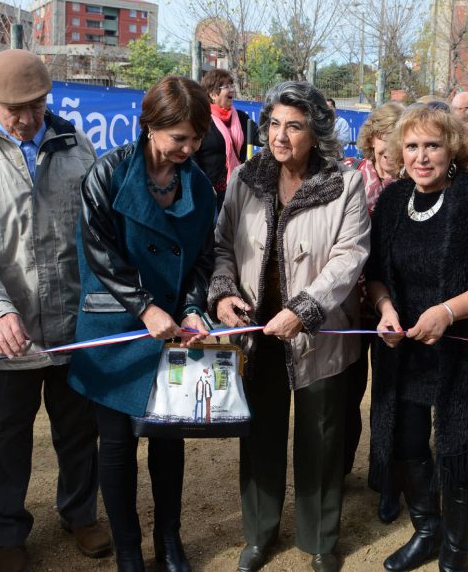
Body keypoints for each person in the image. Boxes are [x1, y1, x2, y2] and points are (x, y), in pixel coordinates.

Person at [0, 49, 109, 572]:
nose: (28, 118)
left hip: (75, 322)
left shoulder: (76, 145)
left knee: (79, 428)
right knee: (5, 435)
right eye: (15, 109)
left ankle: (80, 512)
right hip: (8, 326)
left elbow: (97, 231)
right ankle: (6, 530)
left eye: (36, 105)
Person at [210, 81, 370, 572]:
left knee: (321, 439)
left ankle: (319, 539)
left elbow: (349, 258)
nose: (281, 136)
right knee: (259, 436)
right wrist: (223, 295)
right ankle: (259, 534)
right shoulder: (245, 179)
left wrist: (304, 308)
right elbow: (220, 247)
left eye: (294, 126)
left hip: (317, 335)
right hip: (257, 335)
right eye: (274, 124)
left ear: (315, 132)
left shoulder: (345, 183)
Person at [70, 75, 216, 572]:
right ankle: (128, 548)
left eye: (197, 138)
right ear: (150, 126)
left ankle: (169, 541)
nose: (189, 148)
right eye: (180, 138)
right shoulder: (108, 173)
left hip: (173, 327)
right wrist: (145, 308)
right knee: (115, 444)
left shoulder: (197, 183)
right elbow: (99, 254)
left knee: (168, 438)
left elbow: (202, 256)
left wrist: (194, 307)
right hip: (118, 325)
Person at [366, 103, 468, 572]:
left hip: (462, 349)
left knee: (459, 453)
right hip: (404, 349)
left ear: (453, 148)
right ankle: (427, 530)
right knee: (409, 443)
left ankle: (456, 551)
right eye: (411, 146)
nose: (421, 156)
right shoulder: (393, 200)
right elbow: (375, 275)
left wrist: (447, 313)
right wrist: (387, 309)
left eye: (432, 145)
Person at [342, 101, 403, 522]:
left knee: (389, 395)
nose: (392, 158)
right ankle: (338, 467)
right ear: (371, 142)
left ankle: (385, 475)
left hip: (394, 309)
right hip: (348, 308)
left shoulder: (415, 185)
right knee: (345, 394)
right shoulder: (349, 179)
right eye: (385, 148)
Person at [195, 69, 246, 210]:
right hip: (210, 193)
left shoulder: (241, 118)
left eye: (232, 85)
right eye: (227, 87)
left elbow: (260, 136)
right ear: (212, 94)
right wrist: (204, 185)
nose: (232, 90)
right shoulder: (202, 120)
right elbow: (193, 158)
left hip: (237, 188)